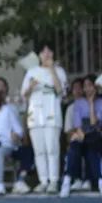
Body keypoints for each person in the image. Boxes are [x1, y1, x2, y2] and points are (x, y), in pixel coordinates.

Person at [21, 41, 67, 193]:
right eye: (43, 51)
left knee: (52, 148)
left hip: (52, 115)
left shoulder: (59, 71)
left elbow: (61, 91)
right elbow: (24, 95)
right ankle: (43, 180)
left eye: (49, 51)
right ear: (39, 55)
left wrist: (52, 69)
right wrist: (31, 85)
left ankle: (54, 180)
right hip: (35, 116)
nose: (46, 54)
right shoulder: (32, 71)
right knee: (39, 151)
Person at [0, 75, 34, 195]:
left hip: (12, 145)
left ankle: (20, 181)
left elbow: (19, 127)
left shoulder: (12, 108)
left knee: (28, 151)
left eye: (2, 87)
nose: (0, 89)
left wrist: (19, 136)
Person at [60, 75, 102, 198]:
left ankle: (98, 181)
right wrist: (80, 133)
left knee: (92, 148)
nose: (87, 89)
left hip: (96, 137)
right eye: (85, 87)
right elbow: (78, 125)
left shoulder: (100, 102)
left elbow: (94, 123)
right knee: (74, 146)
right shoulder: (78, 103)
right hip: (83, 135)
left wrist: (91, 103)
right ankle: (67, 181)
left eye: (90, 86)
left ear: (95, 87)